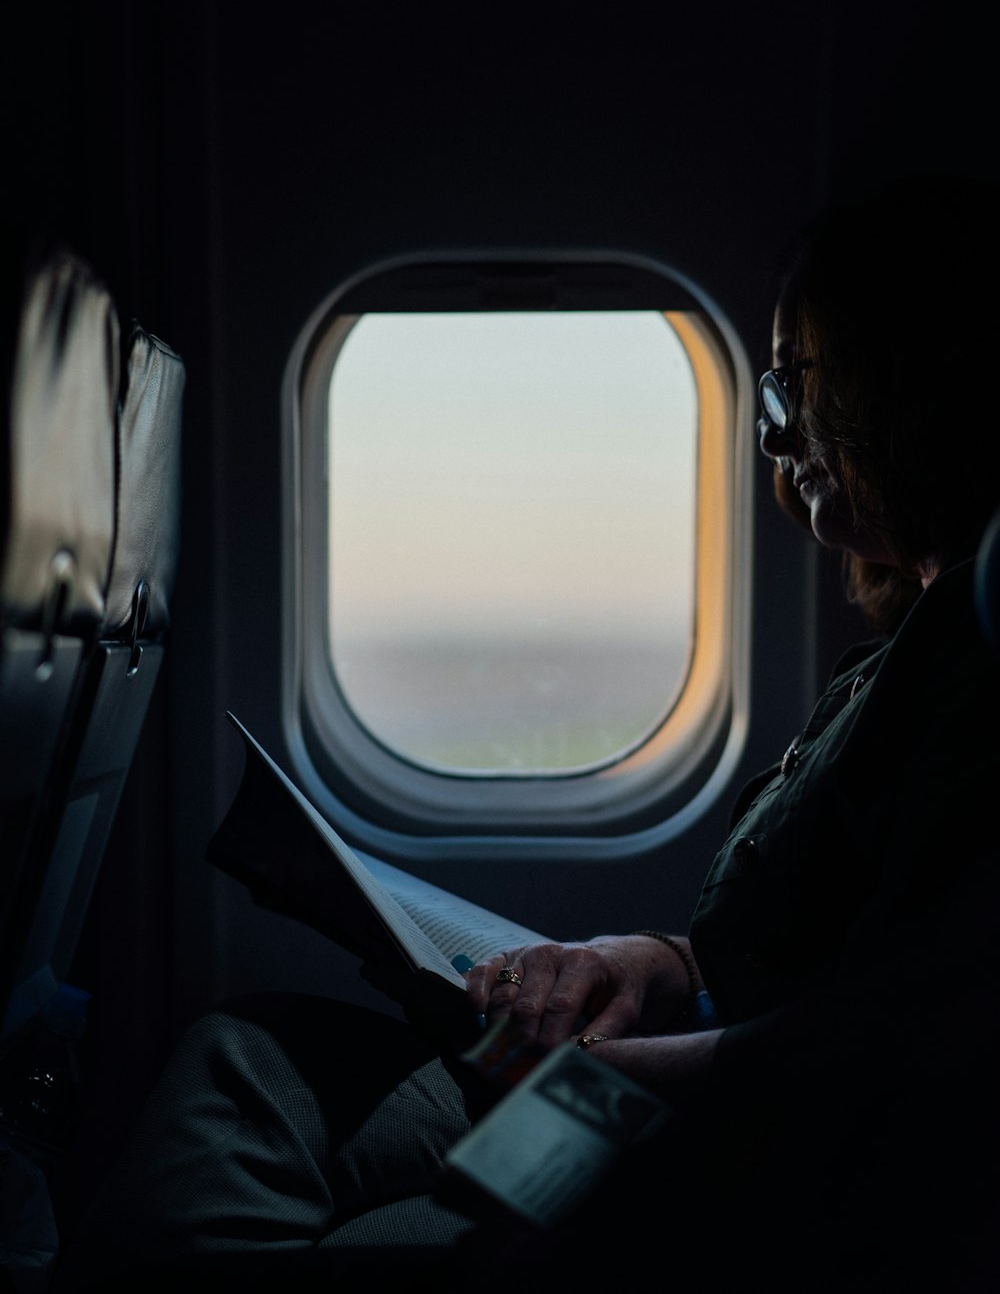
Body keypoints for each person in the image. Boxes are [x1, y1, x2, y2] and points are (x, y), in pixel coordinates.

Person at [54, 174, 1000, 1294]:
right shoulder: (896, 662)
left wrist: (609, 1075)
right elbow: (811, 939)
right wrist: (642, 964)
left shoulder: (975, 674)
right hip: (670, 1063)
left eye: (797, 380)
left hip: (741, 1139)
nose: (772, 427)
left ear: (904, 385)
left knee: (314, 1208)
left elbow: (908, 1031)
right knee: (244, 1057)